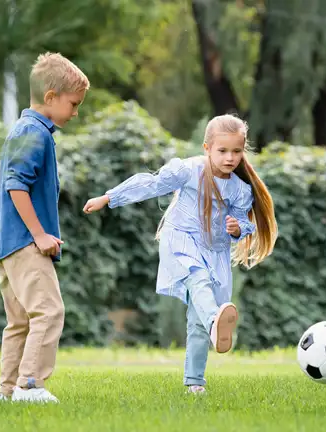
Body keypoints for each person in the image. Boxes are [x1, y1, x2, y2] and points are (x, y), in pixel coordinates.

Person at [83, 114, 277, 394]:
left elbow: (243, 222)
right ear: (206, 148)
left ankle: (195, 382)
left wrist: (237, 228)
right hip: (181, 238)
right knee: (197, 280)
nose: (230, 158)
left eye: (236, 151)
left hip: (215, 251)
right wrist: (109, 197)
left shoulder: (240, 189)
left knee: (196, 321)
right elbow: (150, 184)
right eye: (222, 151)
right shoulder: (188, 170)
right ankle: (215, 322)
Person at [0, 52, 89, 403]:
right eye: (73, 104)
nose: (75, 112)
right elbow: (15, 185)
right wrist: (39, 235)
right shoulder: (34, 132)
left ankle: (9, 391)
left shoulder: (25, 130)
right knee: (49, 312)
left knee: (20, 322)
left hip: (7, 245)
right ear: (51, 97)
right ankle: (30, 385)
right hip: (25, 244)